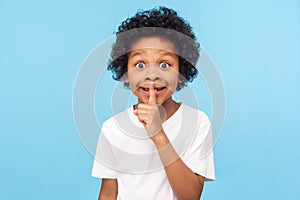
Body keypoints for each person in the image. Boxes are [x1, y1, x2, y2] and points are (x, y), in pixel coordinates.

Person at [92, 6, 215, 200]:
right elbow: (108, 194)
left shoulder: (197, 122)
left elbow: (190, 196)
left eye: (165, 64)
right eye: (140, 65)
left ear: (181, 73)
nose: (152, 75)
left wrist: (158, 134)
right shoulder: (112, 128)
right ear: (125, 73)